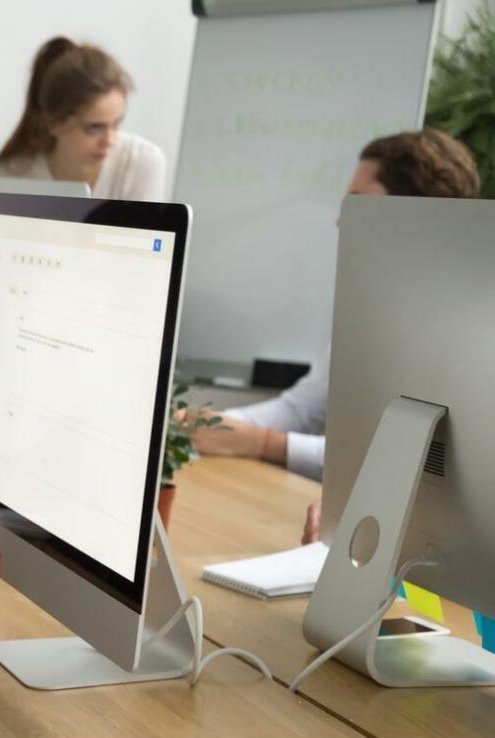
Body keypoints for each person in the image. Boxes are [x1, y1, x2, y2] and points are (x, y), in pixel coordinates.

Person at [189, 129, 480, 541]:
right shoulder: (368, 305)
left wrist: (265, 443)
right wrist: (209, 426)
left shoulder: (464, 328)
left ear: (414, 214)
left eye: (358, 203)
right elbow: (302, 410)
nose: (340, 219)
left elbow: (416, 467)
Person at [0, 37, 166, 201]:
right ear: (54, 123)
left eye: (117, 123)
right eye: (95, 128)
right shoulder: (13, 175)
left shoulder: (143, 163)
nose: (110, 140)